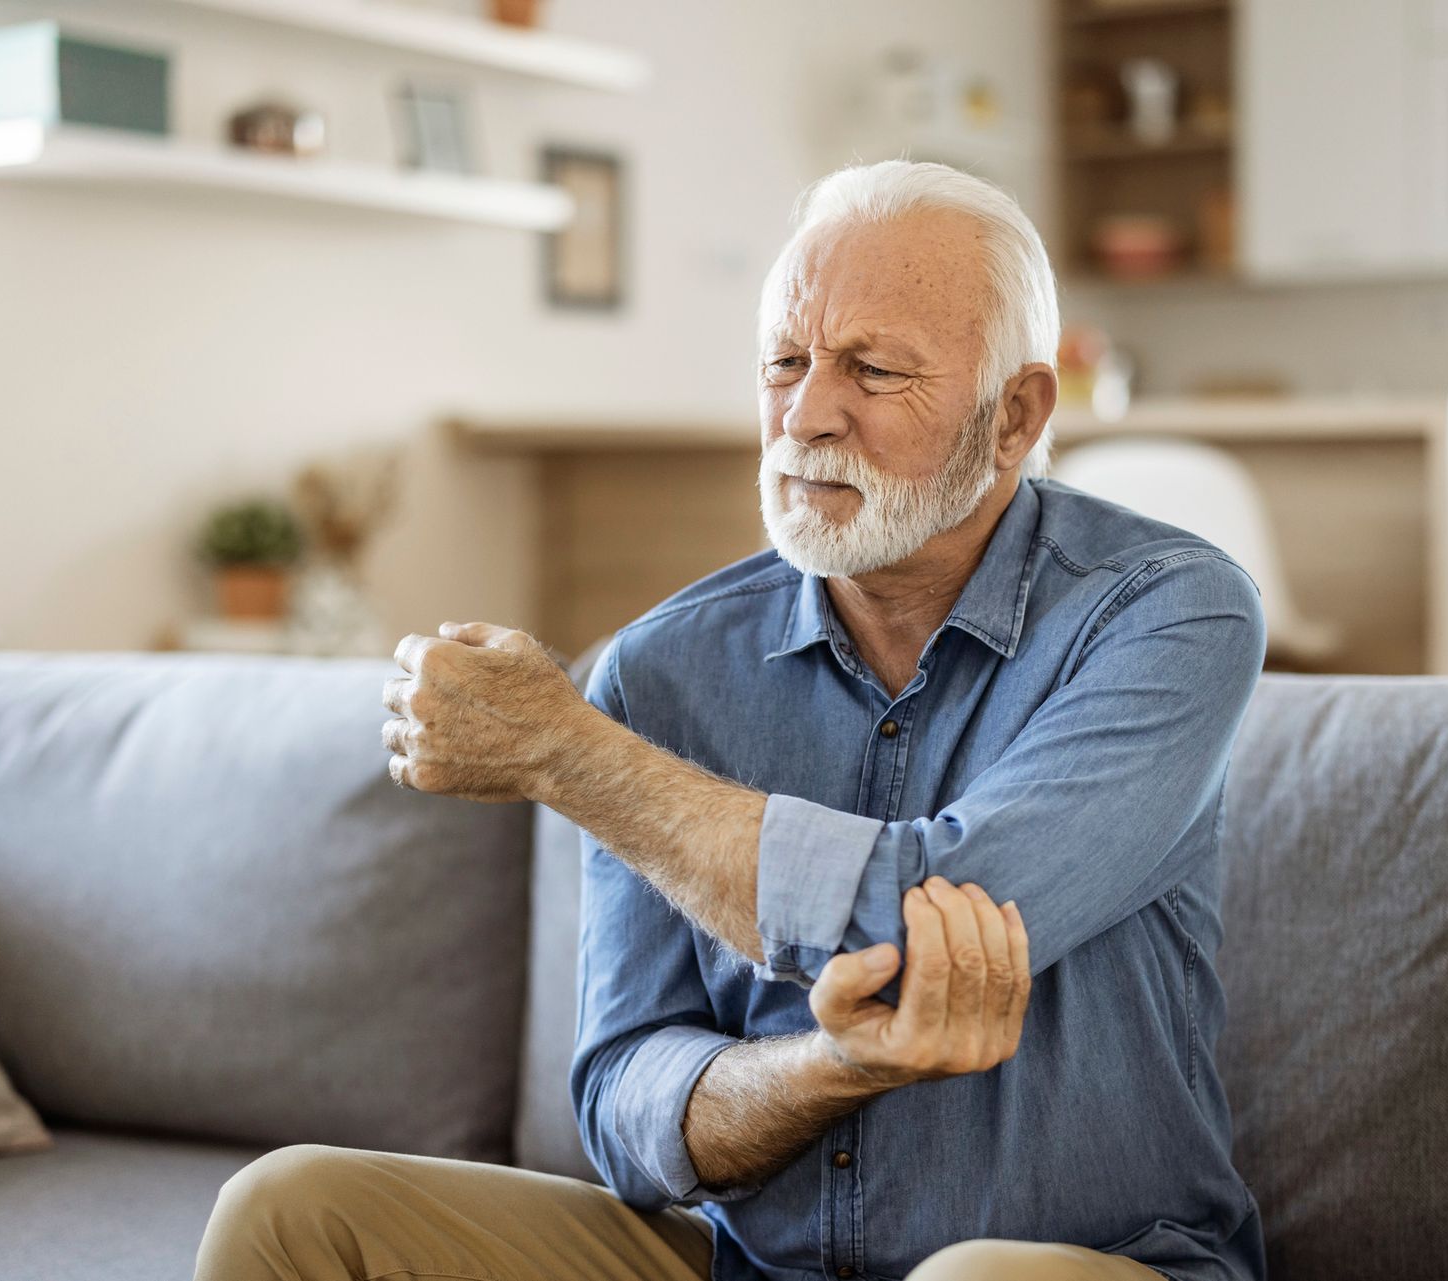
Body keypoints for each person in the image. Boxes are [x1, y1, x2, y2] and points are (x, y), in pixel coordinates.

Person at [193, 158, 1268, 1281]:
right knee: (293, 1209)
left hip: (1086, 1262)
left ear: (1017, 415)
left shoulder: (1166, 612)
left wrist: (571, 755)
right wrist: (830, 1070)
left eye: (873, 369)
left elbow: (922, 930)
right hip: (742, 1265)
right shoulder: (660, 671)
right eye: (786, 364)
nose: (805, 415)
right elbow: (623, 1105)